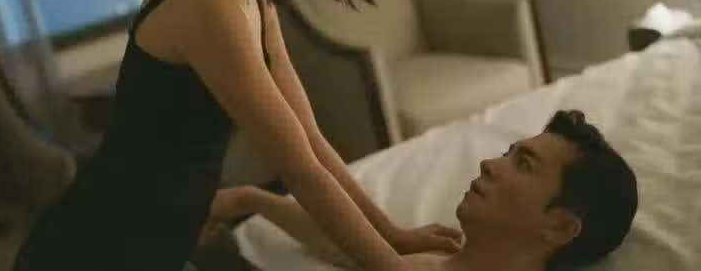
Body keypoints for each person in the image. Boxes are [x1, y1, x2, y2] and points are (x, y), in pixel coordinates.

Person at [13, 0, 459, 270]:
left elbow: (309, 141)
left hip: (169, 229)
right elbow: (299, 169)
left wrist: (394, 237)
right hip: (104, 246)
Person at [206, 110, 640, 271]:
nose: (490, 164)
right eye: (508, 154)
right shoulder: (443, 250)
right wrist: (252, 200)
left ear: (560, 226)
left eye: (523, 165)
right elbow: (348, 244)